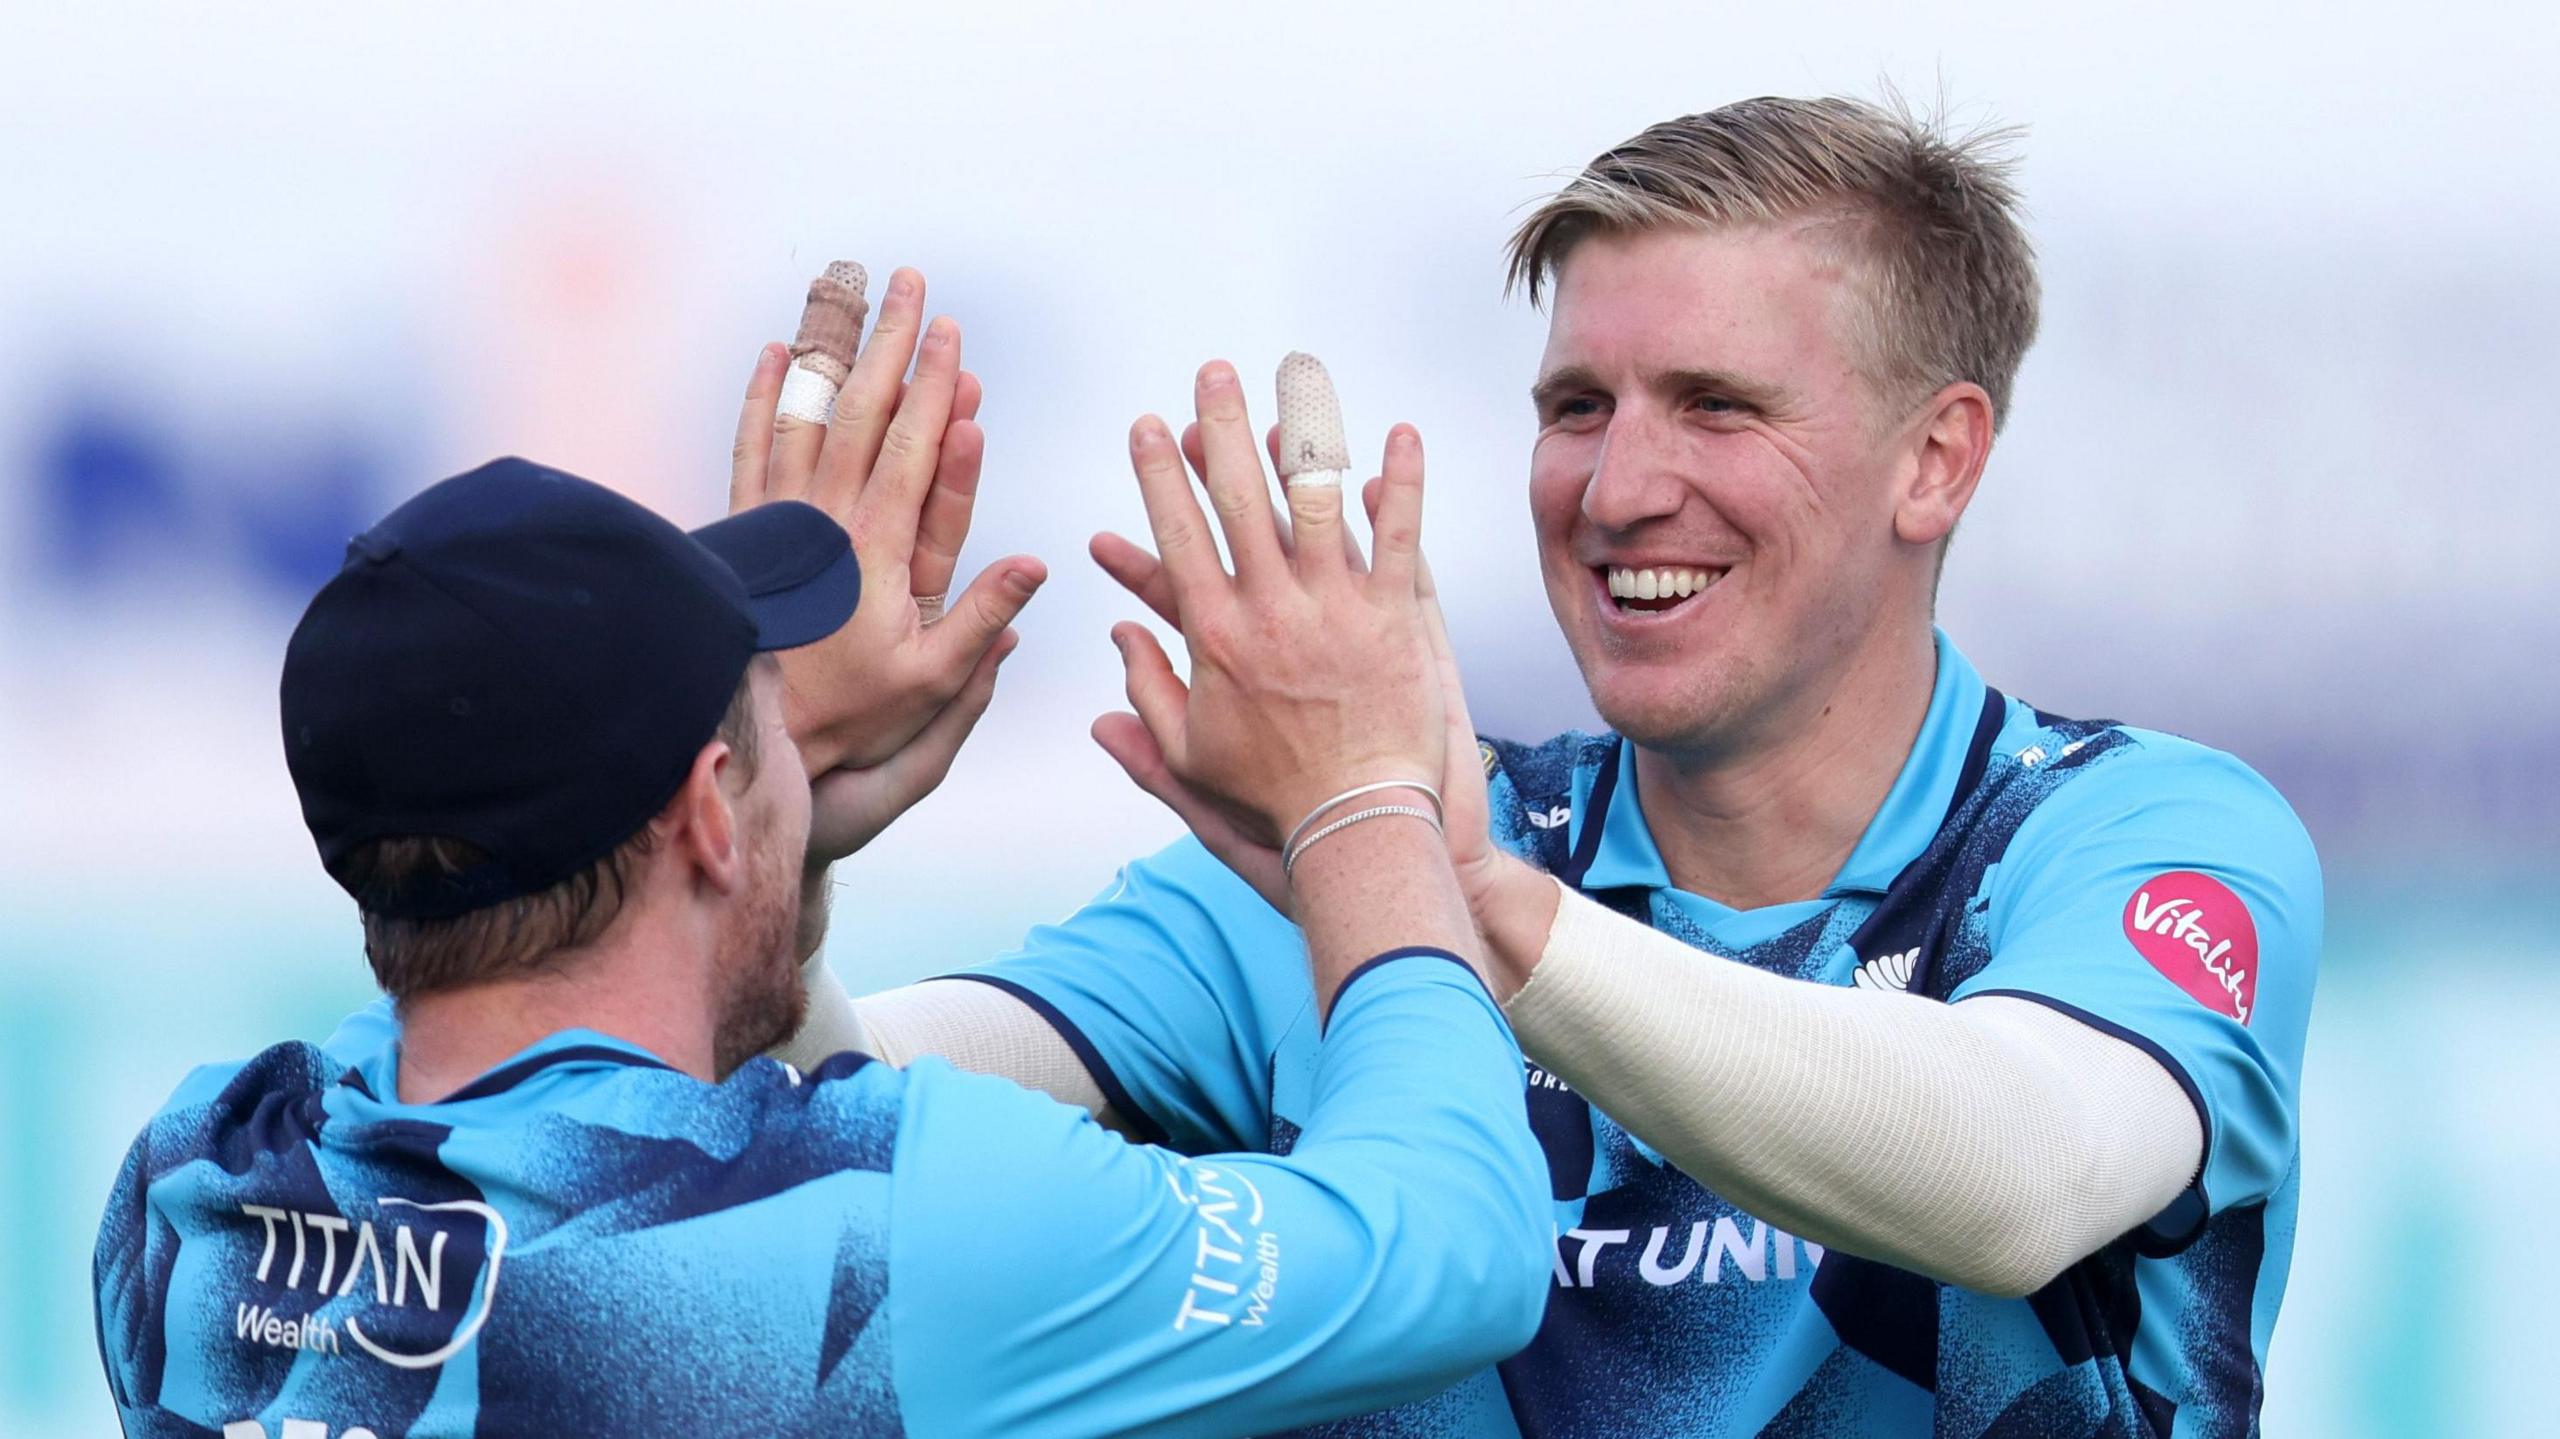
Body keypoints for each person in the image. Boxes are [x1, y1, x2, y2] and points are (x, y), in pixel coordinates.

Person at [796, 98, 2323, 1436]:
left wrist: (1442, 890)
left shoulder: (2132, 830)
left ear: (1938, 457)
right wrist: (781, 834)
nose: (1617, 487)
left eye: (1718, 406)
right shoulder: (1332, 851)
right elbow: (810, 1119)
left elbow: (2017, 1180)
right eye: (1576, 407)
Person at [90, 272, 1552, 1438]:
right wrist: (1363, 794)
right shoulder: (879, 1230)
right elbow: (1449, 1251)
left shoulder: (188, 1197)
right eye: (763, 719)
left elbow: (511, 1072)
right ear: (707, 811)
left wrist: (762, 828)